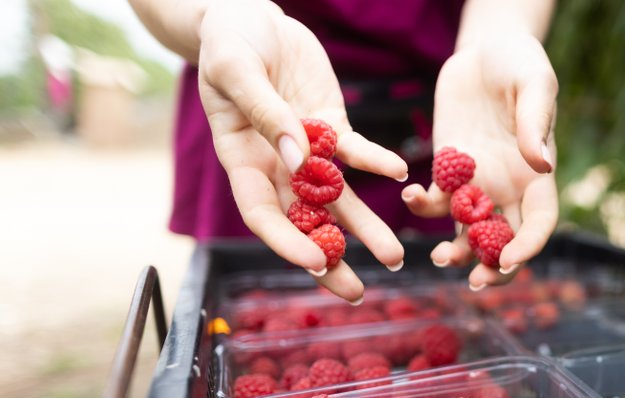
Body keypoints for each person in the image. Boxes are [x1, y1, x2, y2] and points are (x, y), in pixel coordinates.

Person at [129, 0, 559, 304]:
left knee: (426, 315)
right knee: (253, 304)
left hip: (454, 121)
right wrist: (212, 15)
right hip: (258, 115)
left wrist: (497, 38)